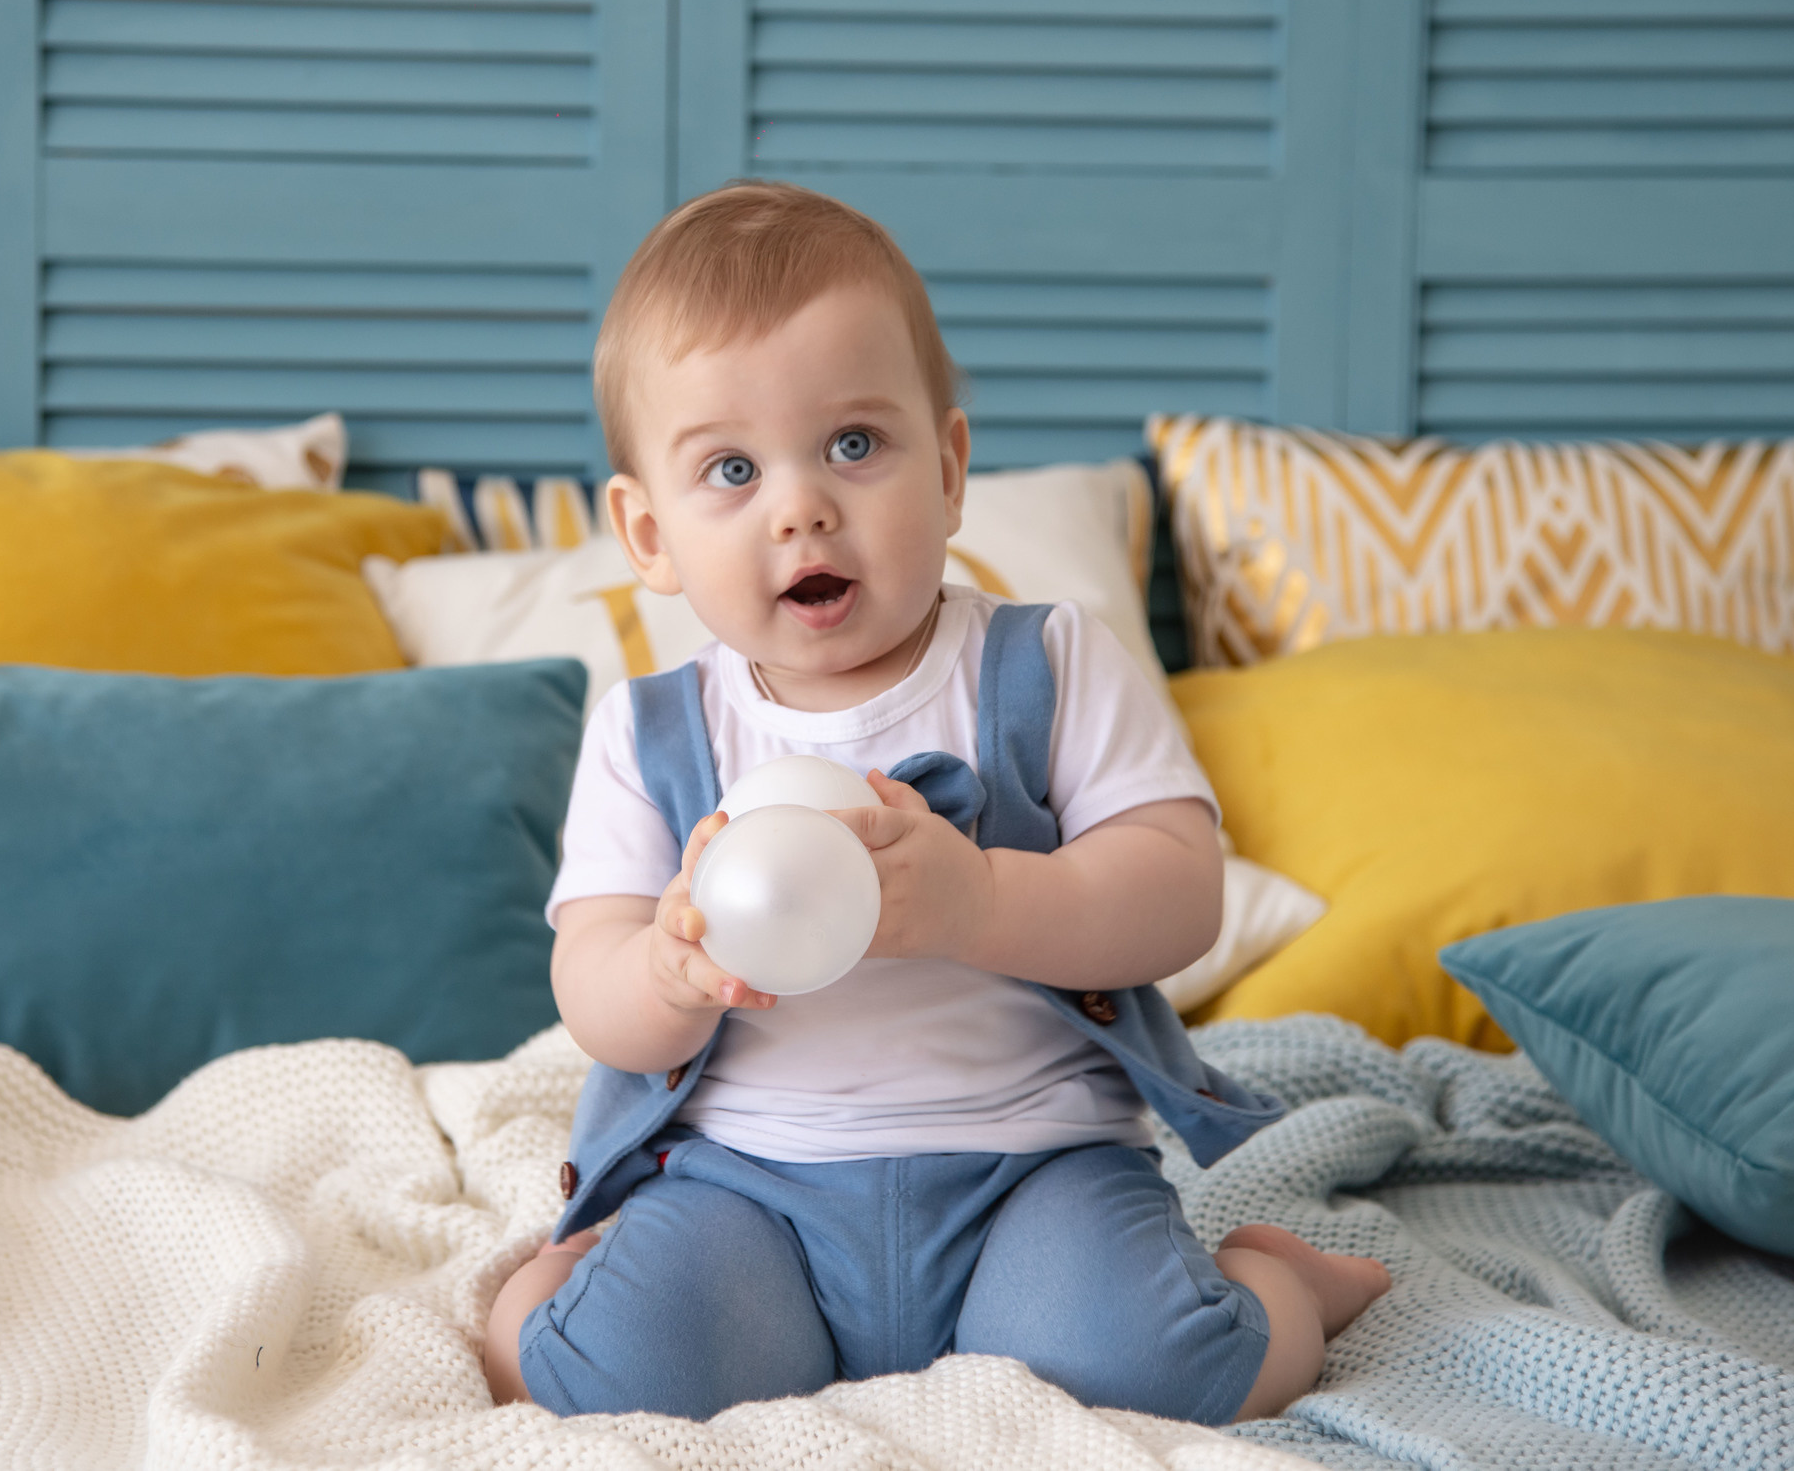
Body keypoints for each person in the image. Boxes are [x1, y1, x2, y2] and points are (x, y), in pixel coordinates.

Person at [481, 181, 1388, 1423]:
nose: (800, 504)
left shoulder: (1047, 666)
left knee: (1153, 1367)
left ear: (950, 469)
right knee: (611, 1378)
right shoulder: (649, 735)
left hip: (1034, 1167)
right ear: (647, 534)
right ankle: (549, 1291)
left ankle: (1276, 1288)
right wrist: (667, 972)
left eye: (853, 445)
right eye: (731, 470)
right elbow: (593, 991)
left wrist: (981, 900)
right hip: (748, 1183)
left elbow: (1178, 895)